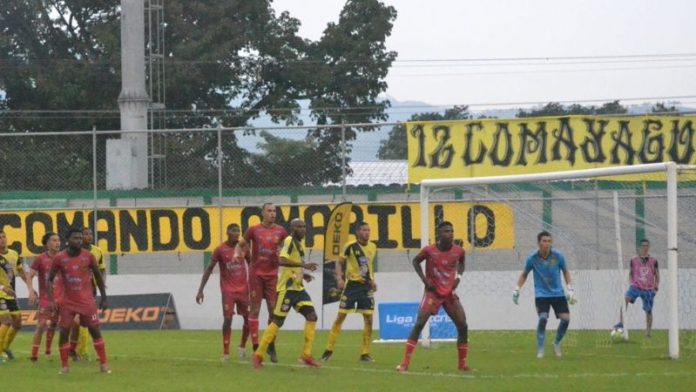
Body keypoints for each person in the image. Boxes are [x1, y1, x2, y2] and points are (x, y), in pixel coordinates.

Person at [396, 221, 469, 373]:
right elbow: (416, 261)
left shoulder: (458, 251)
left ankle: (462, 364)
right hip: (432, 293)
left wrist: (458, 278)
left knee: (463, 325)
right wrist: (424, 280)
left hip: (449, 293)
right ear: (439, 234)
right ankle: (404, 363)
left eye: (451, 231)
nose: (450, 234)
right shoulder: (429, 250)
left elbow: (462, 262)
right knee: (420, 323)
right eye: (446, 231)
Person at [251, 219, 320, 368]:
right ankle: (258, 355)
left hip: (298, 288)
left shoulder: (299, 245)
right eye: (299, 227)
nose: (303, 229)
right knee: (278, 321)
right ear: (293, 228)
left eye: (304, 226)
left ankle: (306, 355)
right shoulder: (289, 240)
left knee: (312, 316)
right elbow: (281, 260)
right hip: (287, 289)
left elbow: (292, 264)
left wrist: (303, 274)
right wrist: (303, 265)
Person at [48, 228, 110, 374]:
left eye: (80, 238)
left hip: (87, 301)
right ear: (68, 240)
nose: (79, 241)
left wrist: (104, 297)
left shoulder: (88, 256)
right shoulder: (59, 258)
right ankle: (64, 366)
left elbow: (98, 277)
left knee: (95, 331)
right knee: (64, 332)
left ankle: (103, 364)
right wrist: (51, 300)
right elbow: (49, 280)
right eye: (76, 238)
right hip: (67, 302)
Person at [513, 230, 575, 358]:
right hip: (541, 294)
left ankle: (556, 343)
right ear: (538, 243)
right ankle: (540, 349)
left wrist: (570, 289)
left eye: (549, 241)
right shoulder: (532, 258)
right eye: (544, 241)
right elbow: (524, 274)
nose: (547, 244)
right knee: (542, 318)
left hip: (558, 293)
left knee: (566, 319)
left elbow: (565, 271)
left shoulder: (558, 256)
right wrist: (517, 289)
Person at [322, 222, 378, 362]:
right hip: (352, 286)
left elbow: (368, 267)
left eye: (368, 230)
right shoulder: (349, 246)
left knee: (369, 319)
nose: (367, 232)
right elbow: (339, 263)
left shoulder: (373, 246)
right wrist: (339, 278)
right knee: (340, 317)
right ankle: (328, 350)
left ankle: (365, 353)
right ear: (358, 232)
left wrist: (372, 281)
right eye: (364, 230)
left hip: (366, 287)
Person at [240, 202, 287, 363]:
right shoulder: (253, 230)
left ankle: (270, 344)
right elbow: (242, 244)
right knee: (255, 309)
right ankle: (255, 346)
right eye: (269, 211)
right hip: (256, 275)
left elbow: (286, 249)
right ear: (262, 213)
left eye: (274, 211)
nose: (272, 213)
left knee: (274, 312)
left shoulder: (281, 231)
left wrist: (283, 252)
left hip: (272, 275)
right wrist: (241, 256)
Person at [196, 223, 251, 360]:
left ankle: (242, 346)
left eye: (238, 231)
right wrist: (200, 290)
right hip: (228, 291)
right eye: (234, 231)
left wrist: (256, 286)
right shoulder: (220, 250)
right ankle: (226, 353)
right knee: (227, 319)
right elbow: (209, 269)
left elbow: (252, 265)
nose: (237, 233)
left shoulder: (244, 247)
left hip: (244, 289)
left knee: (249, 319)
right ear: (227, 232)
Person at [0, 229, 37, 363]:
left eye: (4, 236)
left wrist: (31, 289)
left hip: (11, 295)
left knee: (17, 322)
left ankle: (5, 348)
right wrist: (3, 287)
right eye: (0, 238)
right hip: (1, 294)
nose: (2, 239)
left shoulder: (14, 254)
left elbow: (23, 272)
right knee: (6, 321)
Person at [71, 227, 107, 361]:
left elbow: (102, 270)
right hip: (76, 291)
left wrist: (101, 283)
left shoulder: (97, 251)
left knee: (88, 322)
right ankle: (81, 351)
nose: (89, 236)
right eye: (85, 234)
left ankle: (77, 351)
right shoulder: (75, 253)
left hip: (91, 290)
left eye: (90, 234)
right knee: (81, 322)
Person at [614, 239, 659, 338]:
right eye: (643, 245)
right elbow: (631, 273)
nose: (645, 247)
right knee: (625, 298)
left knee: (649, 311)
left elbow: (657, 274)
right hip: (636, 286)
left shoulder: (654, 261)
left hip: (648, 289)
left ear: (649, 247)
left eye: (646, 245)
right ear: (640, 247)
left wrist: (656, 286)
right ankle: (621, 322)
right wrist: (631, 283)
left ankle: (648, 332)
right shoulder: (634, 260)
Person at [28, 232, 62, 361]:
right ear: (47, 243)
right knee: (41, 324)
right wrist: (31, 290)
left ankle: (48, 351)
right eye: (54, 240)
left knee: (53, 324)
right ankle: (33, 355)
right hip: (45, 298)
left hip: (60, 297)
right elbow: (30, 275)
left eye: (58, 240)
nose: (57, 243)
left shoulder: (62, 258)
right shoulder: (40, 259)